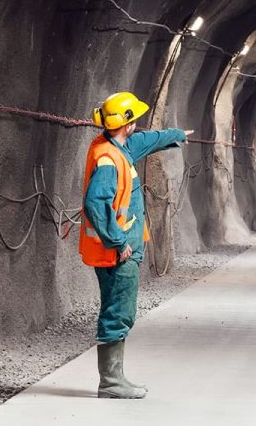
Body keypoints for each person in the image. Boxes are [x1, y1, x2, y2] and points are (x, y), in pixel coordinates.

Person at [79, 91, 192, 399]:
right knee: (118, 312)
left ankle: (115, 379)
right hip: (116, 252)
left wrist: (176, 135)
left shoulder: (117, 146)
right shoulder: (108, 160)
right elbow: (95, 203)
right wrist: (117, 241)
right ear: (127, 124)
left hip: (120, 248)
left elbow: (146, 141)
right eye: (135, 120)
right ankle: (111, 383)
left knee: (119, 310)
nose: (138, 125)